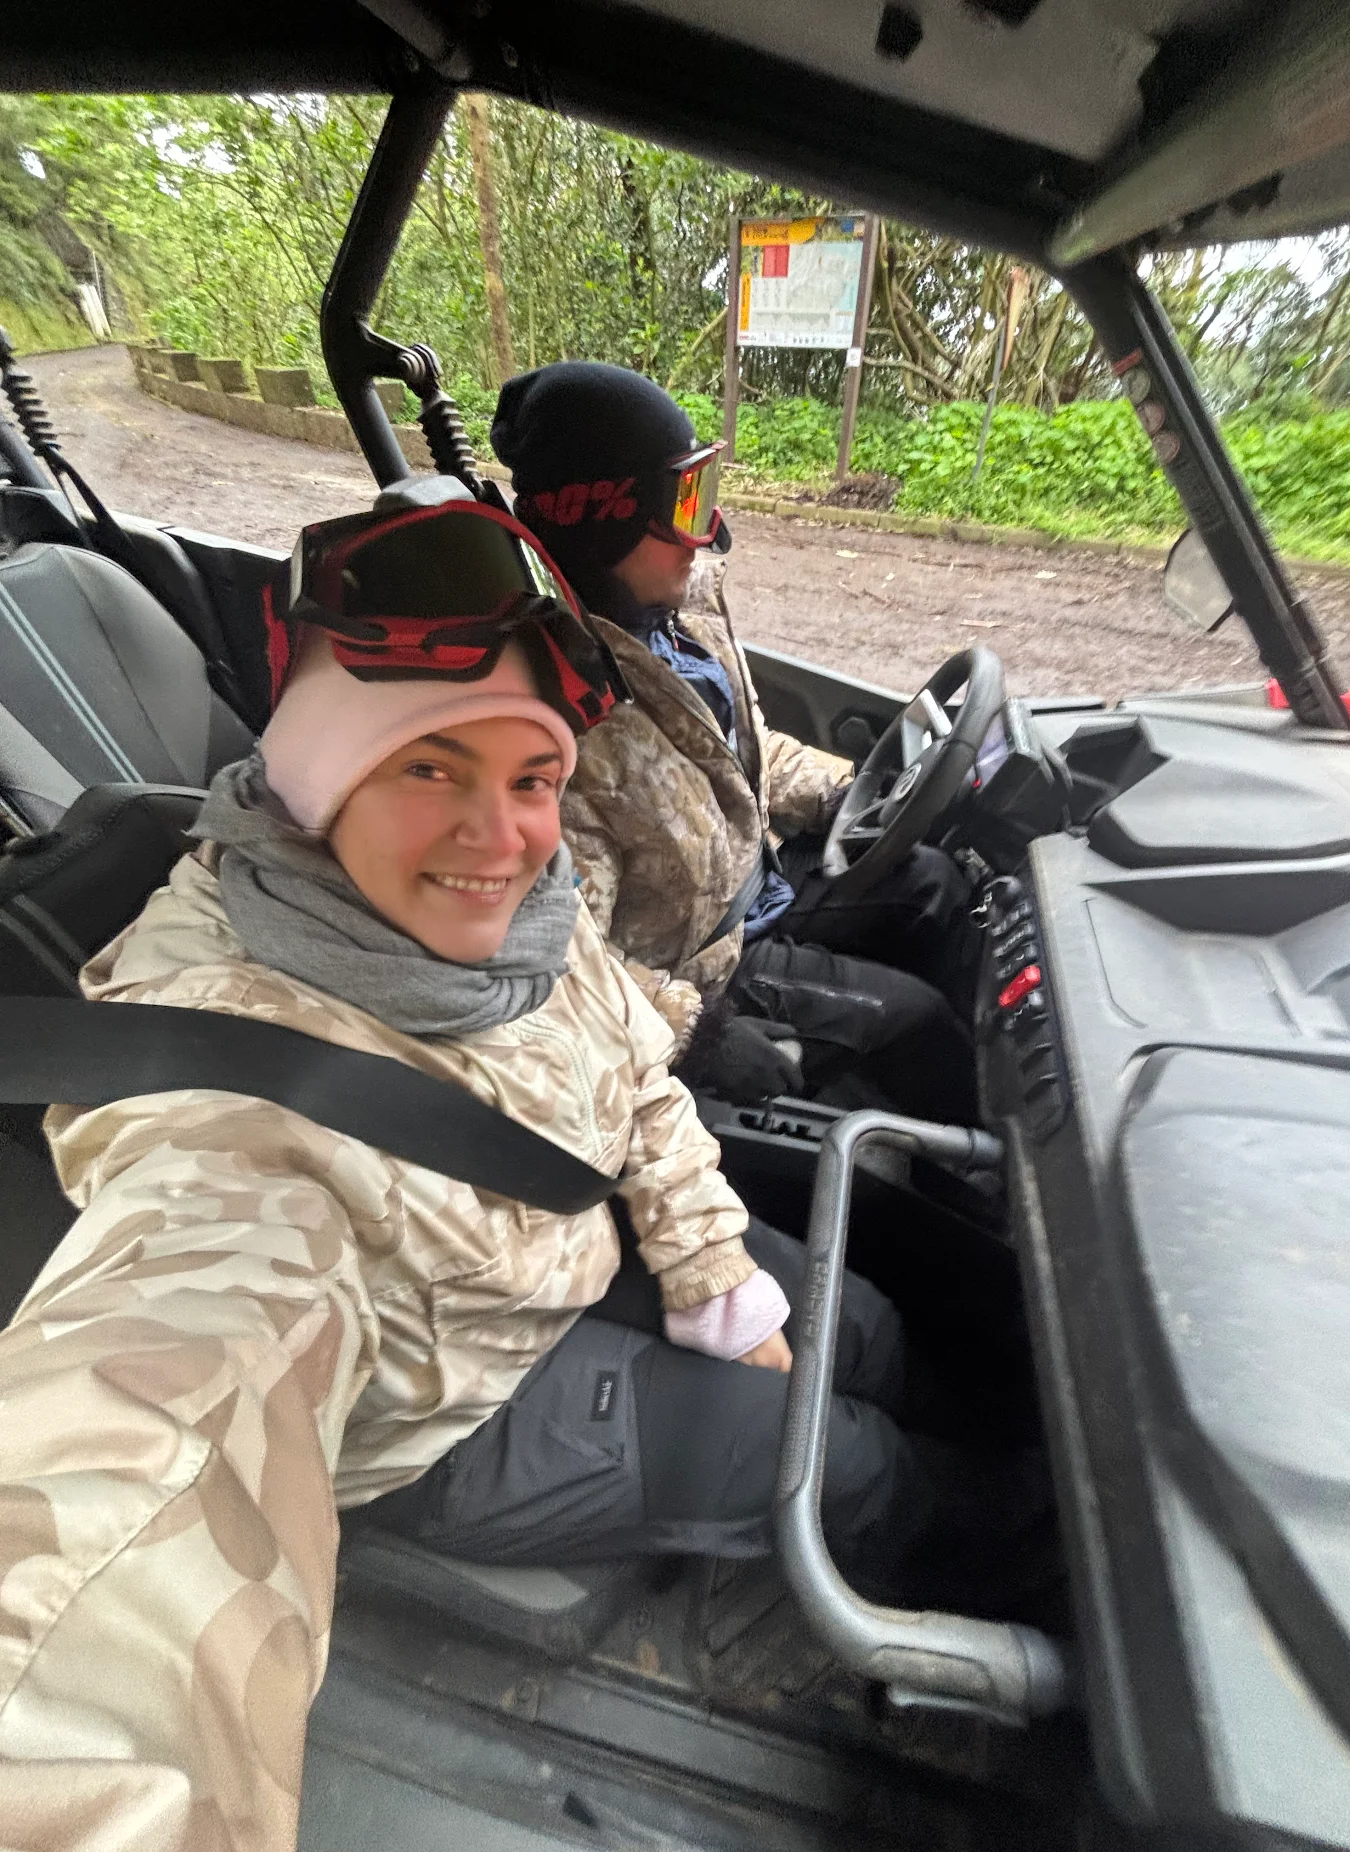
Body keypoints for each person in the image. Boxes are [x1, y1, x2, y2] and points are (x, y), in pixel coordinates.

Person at [0, 492, 1040, 1850]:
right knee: (852, 1467)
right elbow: (128, 1476)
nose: (499, 837)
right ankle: (999, 1591)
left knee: (867, 1324)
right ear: (316, 782)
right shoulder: (232, 1105)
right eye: (428, 768)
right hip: (459, 1407)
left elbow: (632, 1069)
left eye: (532, 778)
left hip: (554, 1237)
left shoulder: (521, 916)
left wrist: (711, 1271)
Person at [490, 362, 979, 1121]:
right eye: (686, 501)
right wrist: (698, 1035)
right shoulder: (551, 720)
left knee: (936, 886)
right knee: (916, 1020)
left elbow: (736, 754)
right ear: (608, 516)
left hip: (754, 879)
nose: (711, 531)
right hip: (701, 965)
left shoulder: (679, 620)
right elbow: (556, 955)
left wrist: (850, 793)